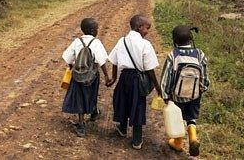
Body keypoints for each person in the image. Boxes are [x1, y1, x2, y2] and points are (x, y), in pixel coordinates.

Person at [107, 14, 161, 149]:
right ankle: (137, 140)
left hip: (124, 77)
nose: (148, 31)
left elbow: (114, 60)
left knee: (123, 102)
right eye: (147, 28)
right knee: (137, 106)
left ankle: (122, 129)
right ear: (139, 27)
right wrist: (157, 86)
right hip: (137, 79)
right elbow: (150, 68)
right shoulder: (145, 44)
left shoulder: (122, 41)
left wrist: (114, 78)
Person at [160, 25, 209, 157]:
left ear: (174, 41)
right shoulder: (200, 54)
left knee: (178, 118)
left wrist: (165, 95)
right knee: (191, 117)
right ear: (191, 39)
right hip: (194, 95)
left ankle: (178, 143)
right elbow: (204, 77)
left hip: (177, 96)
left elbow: (166, 78)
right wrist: (202, 89)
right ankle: (193, 138)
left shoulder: (173, 55)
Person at [62, 18, 111, 137]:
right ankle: (93, 112)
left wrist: (72, 67)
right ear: (93, 30)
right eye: (97, 29)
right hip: (92, 75)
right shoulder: (96, 42)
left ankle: (81, 124)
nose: (97, 30)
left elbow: (67, 57)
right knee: (91, 94)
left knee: (79, 97)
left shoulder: (77, 41)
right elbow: (102, 61)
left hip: (78, 75)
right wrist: (106, 76)